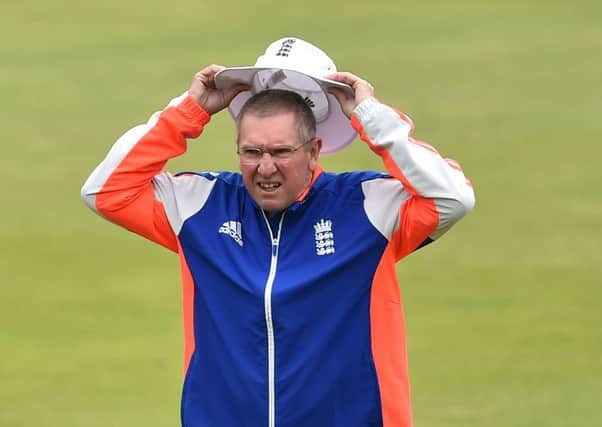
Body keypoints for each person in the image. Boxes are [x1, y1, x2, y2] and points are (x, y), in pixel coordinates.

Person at [81, 37, 475, 427]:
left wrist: (372, 116)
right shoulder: (199, 205)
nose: (265, 168)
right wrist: (188, 112)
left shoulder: (367, 207)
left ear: (314, 150)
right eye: (251, 152)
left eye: (281, 152)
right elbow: (105, 191)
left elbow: (453, 197)